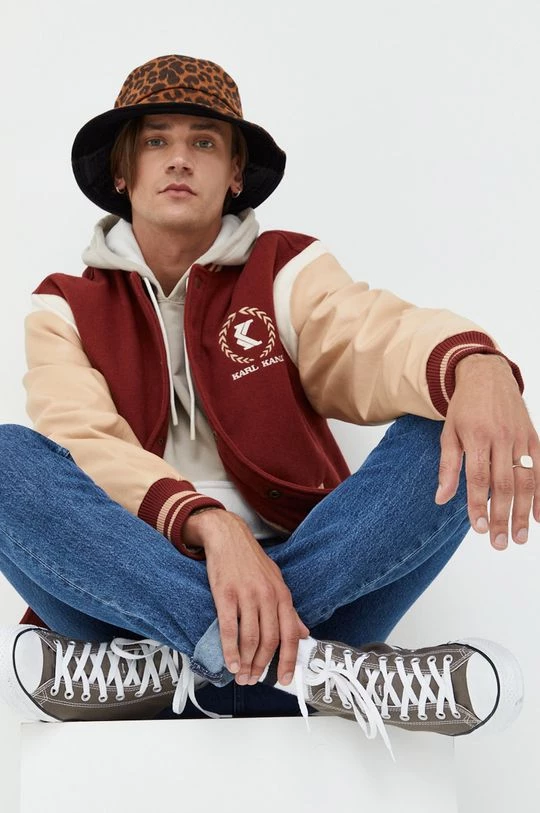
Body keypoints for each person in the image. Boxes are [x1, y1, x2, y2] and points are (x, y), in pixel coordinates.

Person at [0, 54, 536, 748]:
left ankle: (190, 665)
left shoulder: (285, 270)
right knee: (7, 459)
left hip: (303, 581)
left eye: (203, 141)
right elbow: (88, 445)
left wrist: (475, 363)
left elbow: (369, 338)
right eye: (156, 140)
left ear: (234, 173)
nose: (179, 159)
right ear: (122, 171)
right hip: (132, 588)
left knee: (447, 431)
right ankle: (315, 673)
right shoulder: (64, 307)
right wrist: (211, 527)